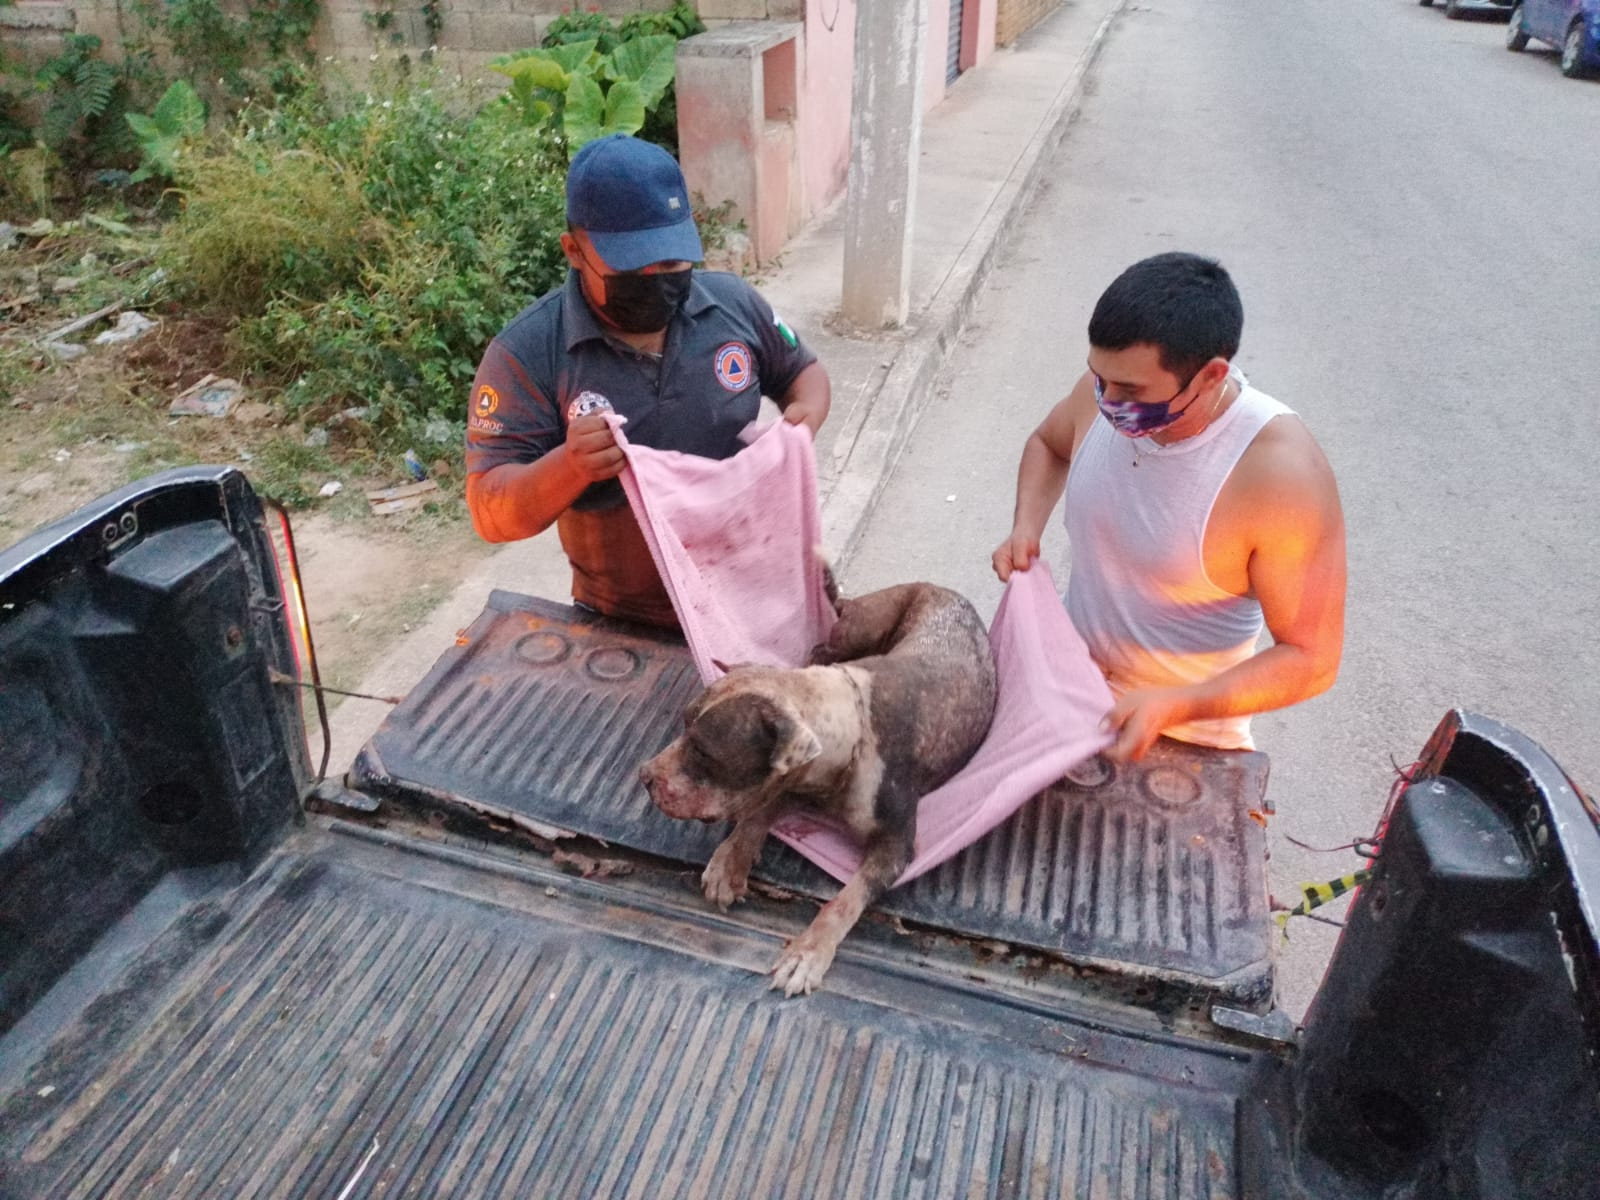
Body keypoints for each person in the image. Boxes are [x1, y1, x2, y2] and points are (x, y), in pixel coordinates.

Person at [465, 134, 831, 628]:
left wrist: (801, 423)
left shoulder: (733, 306)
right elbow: (491, 512)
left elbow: (802, 374)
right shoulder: (528, 353)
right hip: (623, 624)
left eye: (671, 260)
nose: (656, 276)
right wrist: (571, 466)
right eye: (633, 264)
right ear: (574, 250)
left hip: (753, 592)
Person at [992, 252, 1345, 762]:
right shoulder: (1103, 395)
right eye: (1100, 378)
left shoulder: (1280, 476)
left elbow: (1312, 658)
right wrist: (1026, 526)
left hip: (1188, 742)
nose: (1108, 401)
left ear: (1209, 375)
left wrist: (1177, 705)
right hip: (1064, 695)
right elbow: (1048, 446)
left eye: (1131, 391)